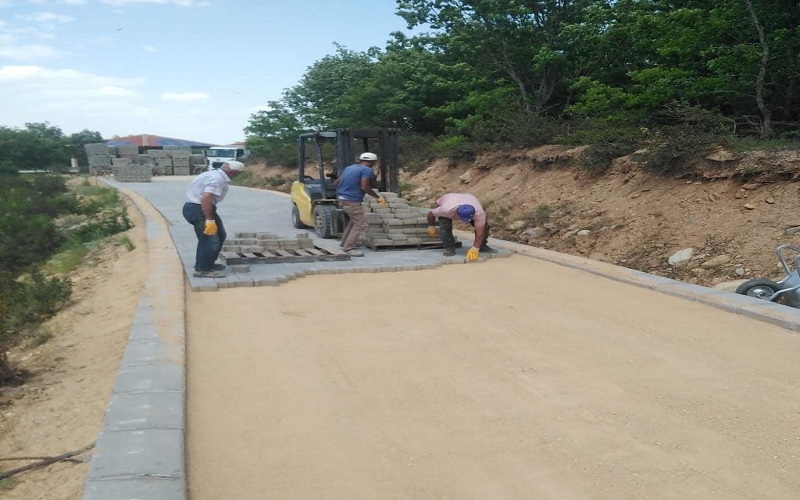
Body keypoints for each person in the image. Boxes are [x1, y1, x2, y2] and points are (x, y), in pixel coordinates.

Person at [182, 160, 246, 277]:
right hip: (199, 209)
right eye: (238, 173)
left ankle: (208, 262)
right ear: (233, 172)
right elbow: (206, 199)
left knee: (220, 235)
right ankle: (202, 269)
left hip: (200, 208)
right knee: (209, 239)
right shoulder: (217, 179)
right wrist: (210, 220)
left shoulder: (214, 174)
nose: (238, 176)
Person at [334, 152, 386, 256]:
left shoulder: (349, 168)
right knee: (360, 224)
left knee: (354, 221)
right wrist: (377, 197)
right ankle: (349, 248)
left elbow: (336, 182)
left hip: (343, 197)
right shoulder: (367, 170)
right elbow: (364, 187)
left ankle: (345, 242)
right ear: (372, 162)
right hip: (351, 200)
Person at [426, 192, 496, 260]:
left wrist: (475, 248)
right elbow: (430, 214)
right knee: (445, 227)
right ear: (457, 213)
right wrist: (431, 226)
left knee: (485, 227)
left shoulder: (479, 213)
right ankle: (449, 248)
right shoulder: (446, 209)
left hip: (469, 198)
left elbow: (480, 232)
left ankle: (482, 246)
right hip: (448, 200)